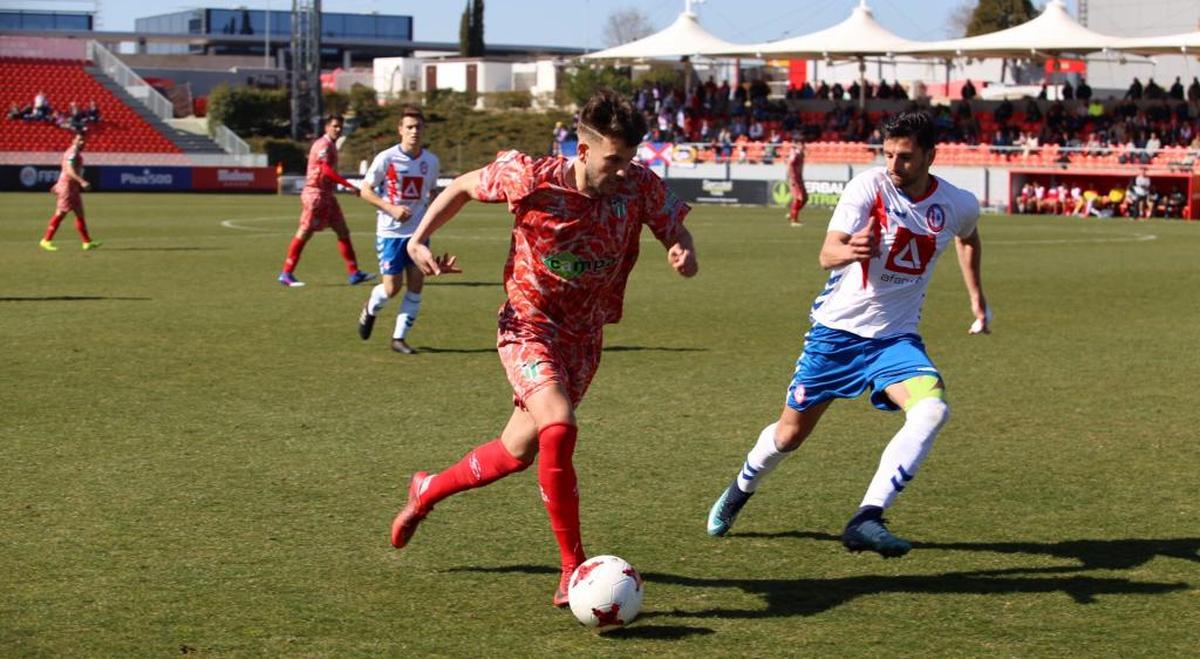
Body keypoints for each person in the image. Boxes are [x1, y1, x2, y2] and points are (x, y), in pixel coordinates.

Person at [389, 89, 698, 605]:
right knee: (559, 423)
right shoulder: (531, 178)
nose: (624, 170)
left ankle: (426, 490)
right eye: (613, 160)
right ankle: (572, 567)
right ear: (583, 150)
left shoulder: (638, 185)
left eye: (630, 159)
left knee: (516, 452)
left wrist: (682, 247)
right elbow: (462, 187)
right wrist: (417, 239)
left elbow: (675, 226)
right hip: (528, 325)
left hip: (585, 337)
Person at [705, 111, 989, 558]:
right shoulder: (868, 187)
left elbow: (969, 238)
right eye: (889, 154)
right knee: (788, 437)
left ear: (931, 156)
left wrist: (977, 298)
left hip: (895, 341)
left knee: (931, 410)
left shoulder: (958, 204)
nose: (895, 165)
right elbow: (827, 252)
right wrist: (850, 249)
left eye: (907, 157)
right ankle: (740, 489)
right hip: (835, 337)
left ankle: (867, 516)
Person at [356, 106, 440, 355]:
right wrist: (389, 208)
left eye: (418, 127)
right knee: (392, 288)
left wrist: (430, 223)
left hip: (418, 233)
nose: (414, 132)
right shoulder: (386, 158)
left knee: (416, 283)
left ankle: (398, 338)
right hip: (390, 232)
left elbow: (432, 194)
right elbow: (365, 190)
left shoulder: (431, 161)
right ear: (400, 130)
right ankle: (371, 306)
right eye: (410, 127)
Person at [277, 114, 376, 287]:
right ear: (327, 127)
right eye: (335, 126)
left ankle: (354, 273)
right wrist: (348, 185)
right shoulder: (323, 145)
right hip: (316, 195)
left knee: (343, 231)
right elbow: (326, 171)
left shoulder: (330, 145)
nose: (338, 129)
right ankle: (286, 273)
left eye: (340, 127)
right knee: (305, 232)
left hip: (327, 196)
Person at [40, 132, 99, 251]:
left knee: (80, 213)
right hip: (67, 187)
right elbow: (69, 170)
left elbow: (64, 169)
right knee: (60, 214)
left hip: (72, 187)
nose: (82, 142)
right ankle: (46, 240)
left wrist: (58, 184)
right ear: (73, 141)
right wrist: (81, 181)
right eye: (79, 140)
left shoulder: (75, 153)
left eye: (83, 140)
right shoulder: (72, 153)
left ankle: (87, 242)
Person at [785, 140, 807, 226]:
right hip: (794, 179)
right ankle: (794, 220)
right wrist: (791, 177)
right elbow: (790, 163)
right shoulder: (795, 154)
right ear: (797, 145)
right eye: (802, 144)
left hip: (799, 178)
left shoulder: (801, 154)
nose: (804, 146)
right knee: (799, 198)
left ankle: (791, 214)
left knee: (805, 198)